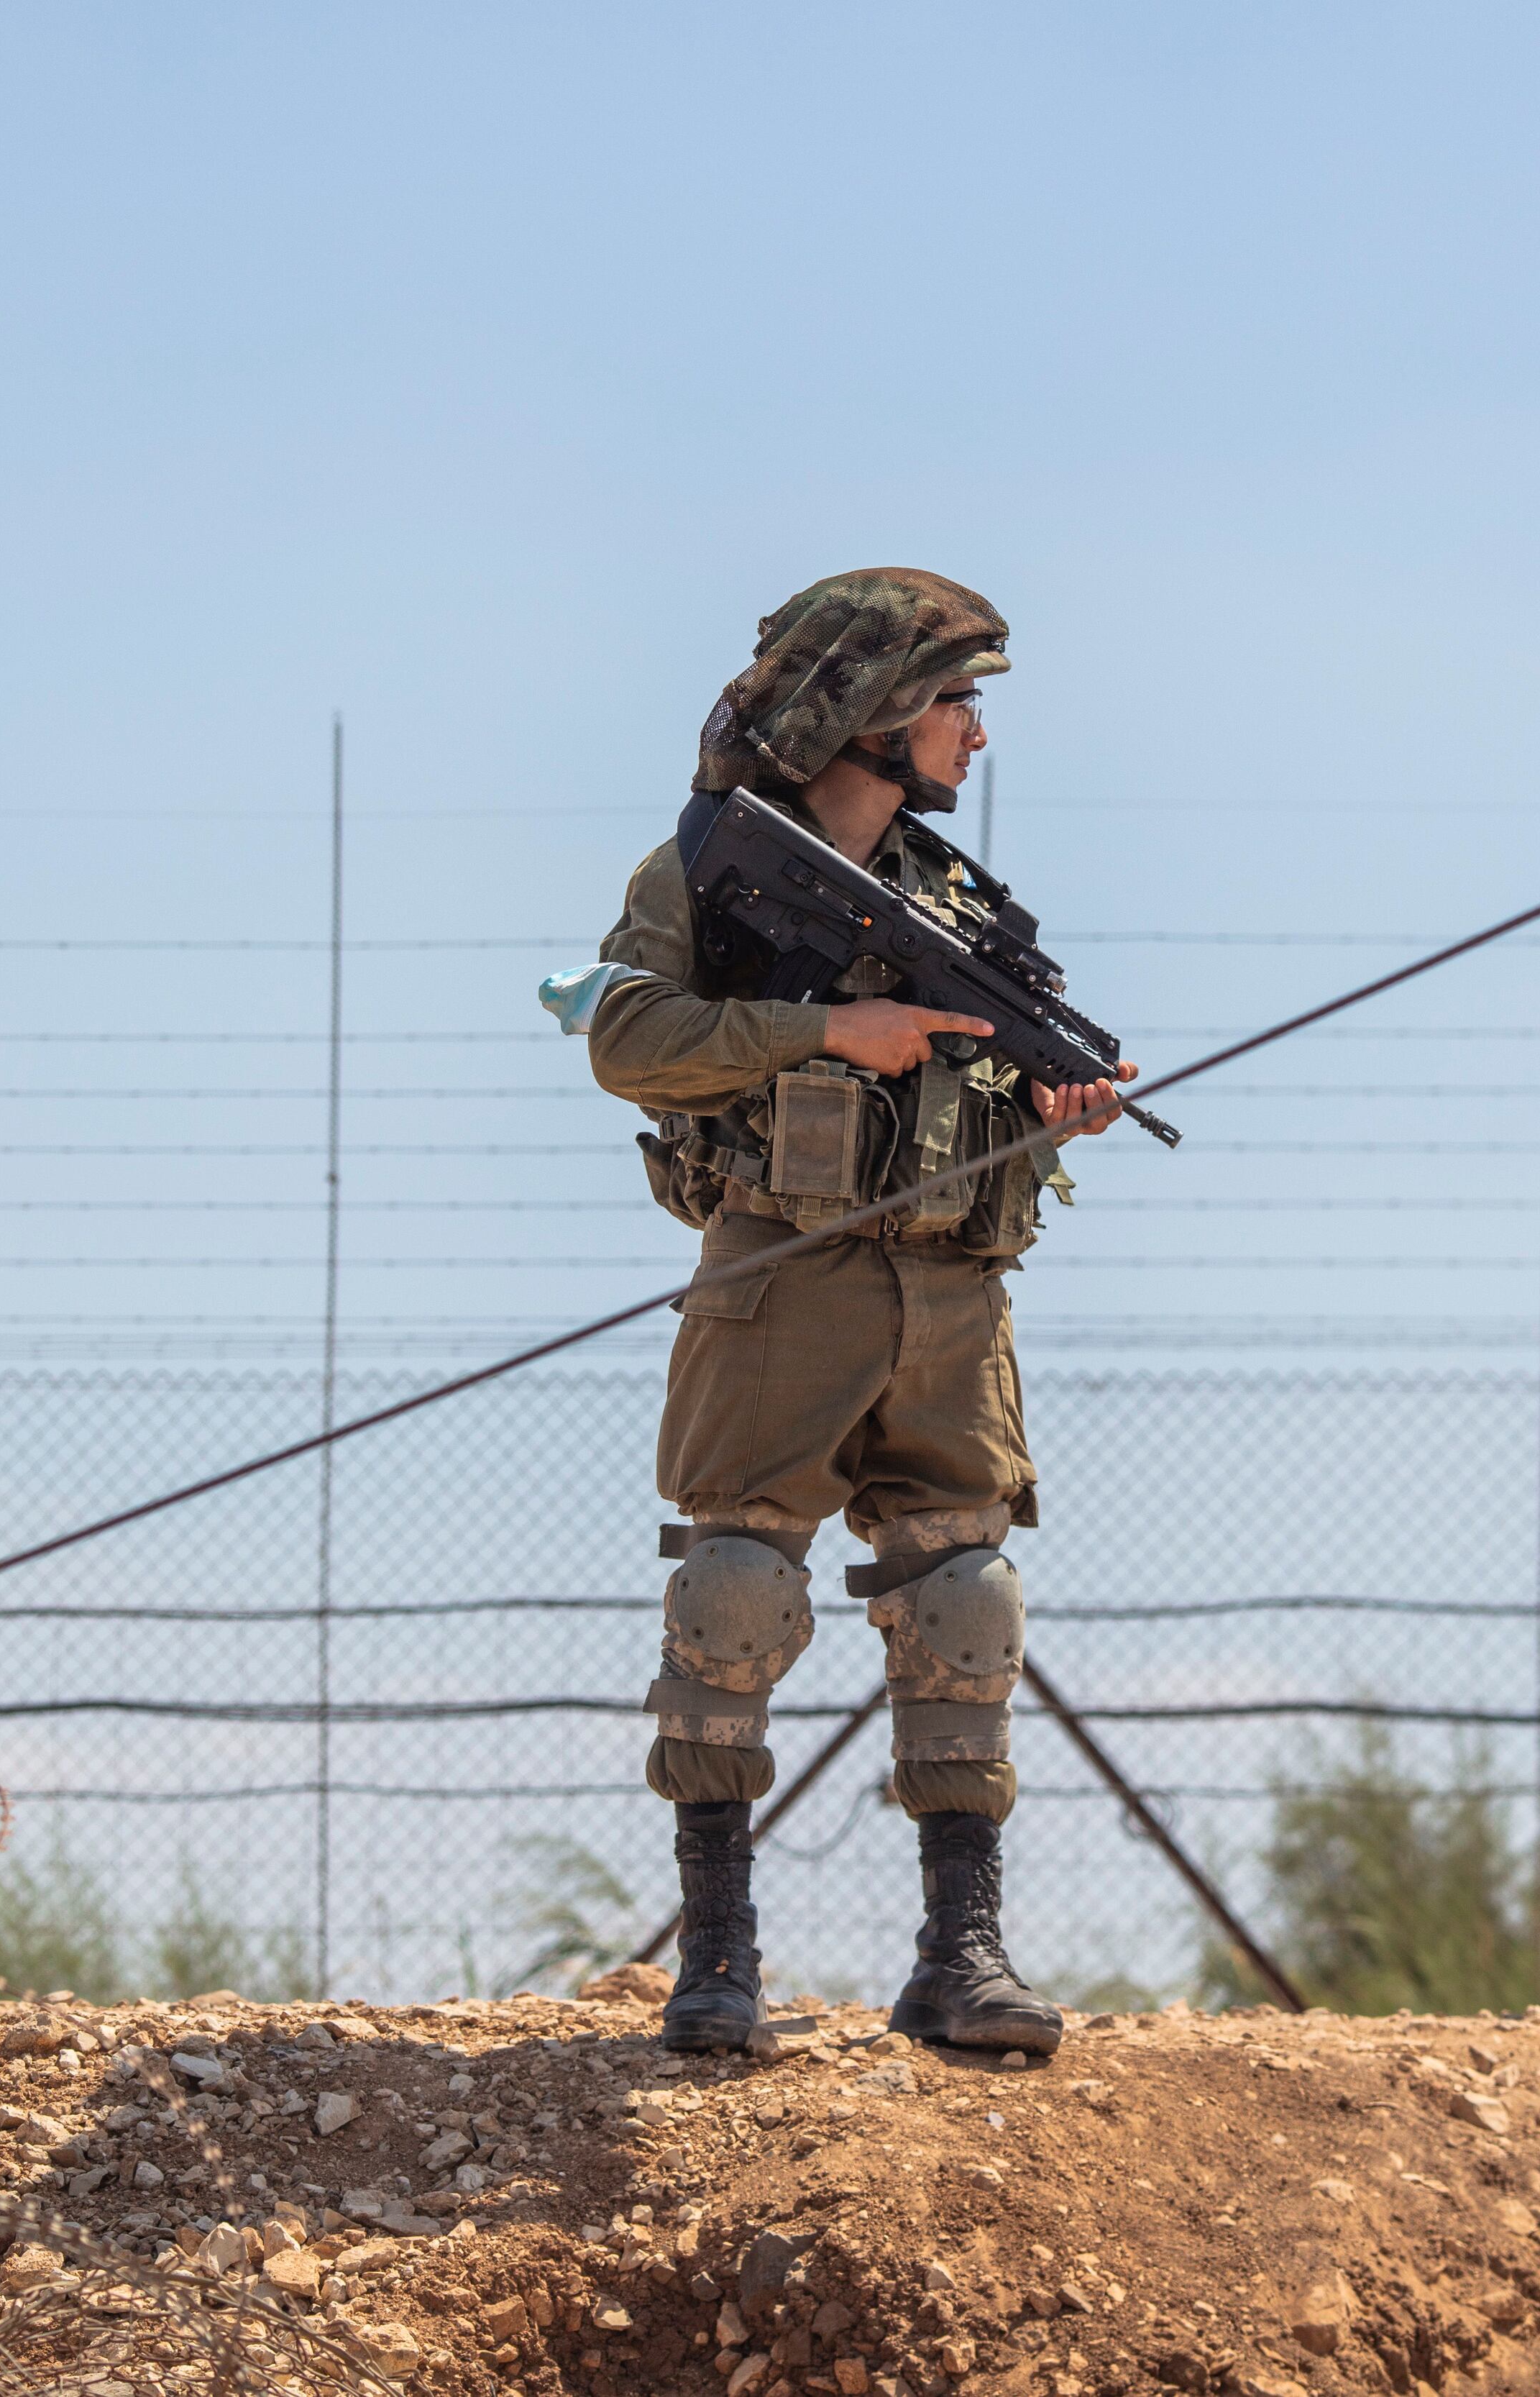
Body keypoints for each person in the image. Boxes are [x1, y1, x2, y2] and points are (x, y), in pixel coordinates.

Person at [541, 567, 1133, 2057]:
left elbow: (980, 1091)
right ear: (867, 713)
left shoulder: (960, 906)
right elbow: (625, 1034)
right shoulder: (711, 868)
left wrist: (1054, 1112)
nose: (973, 732)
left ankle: (960, 1949)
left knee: (965, 1600)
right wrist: (826, 1031)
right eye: (953, 699)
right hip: (784, 1275)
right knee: (736, 1592)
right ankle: (718, 1954)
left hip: (950, 1292)